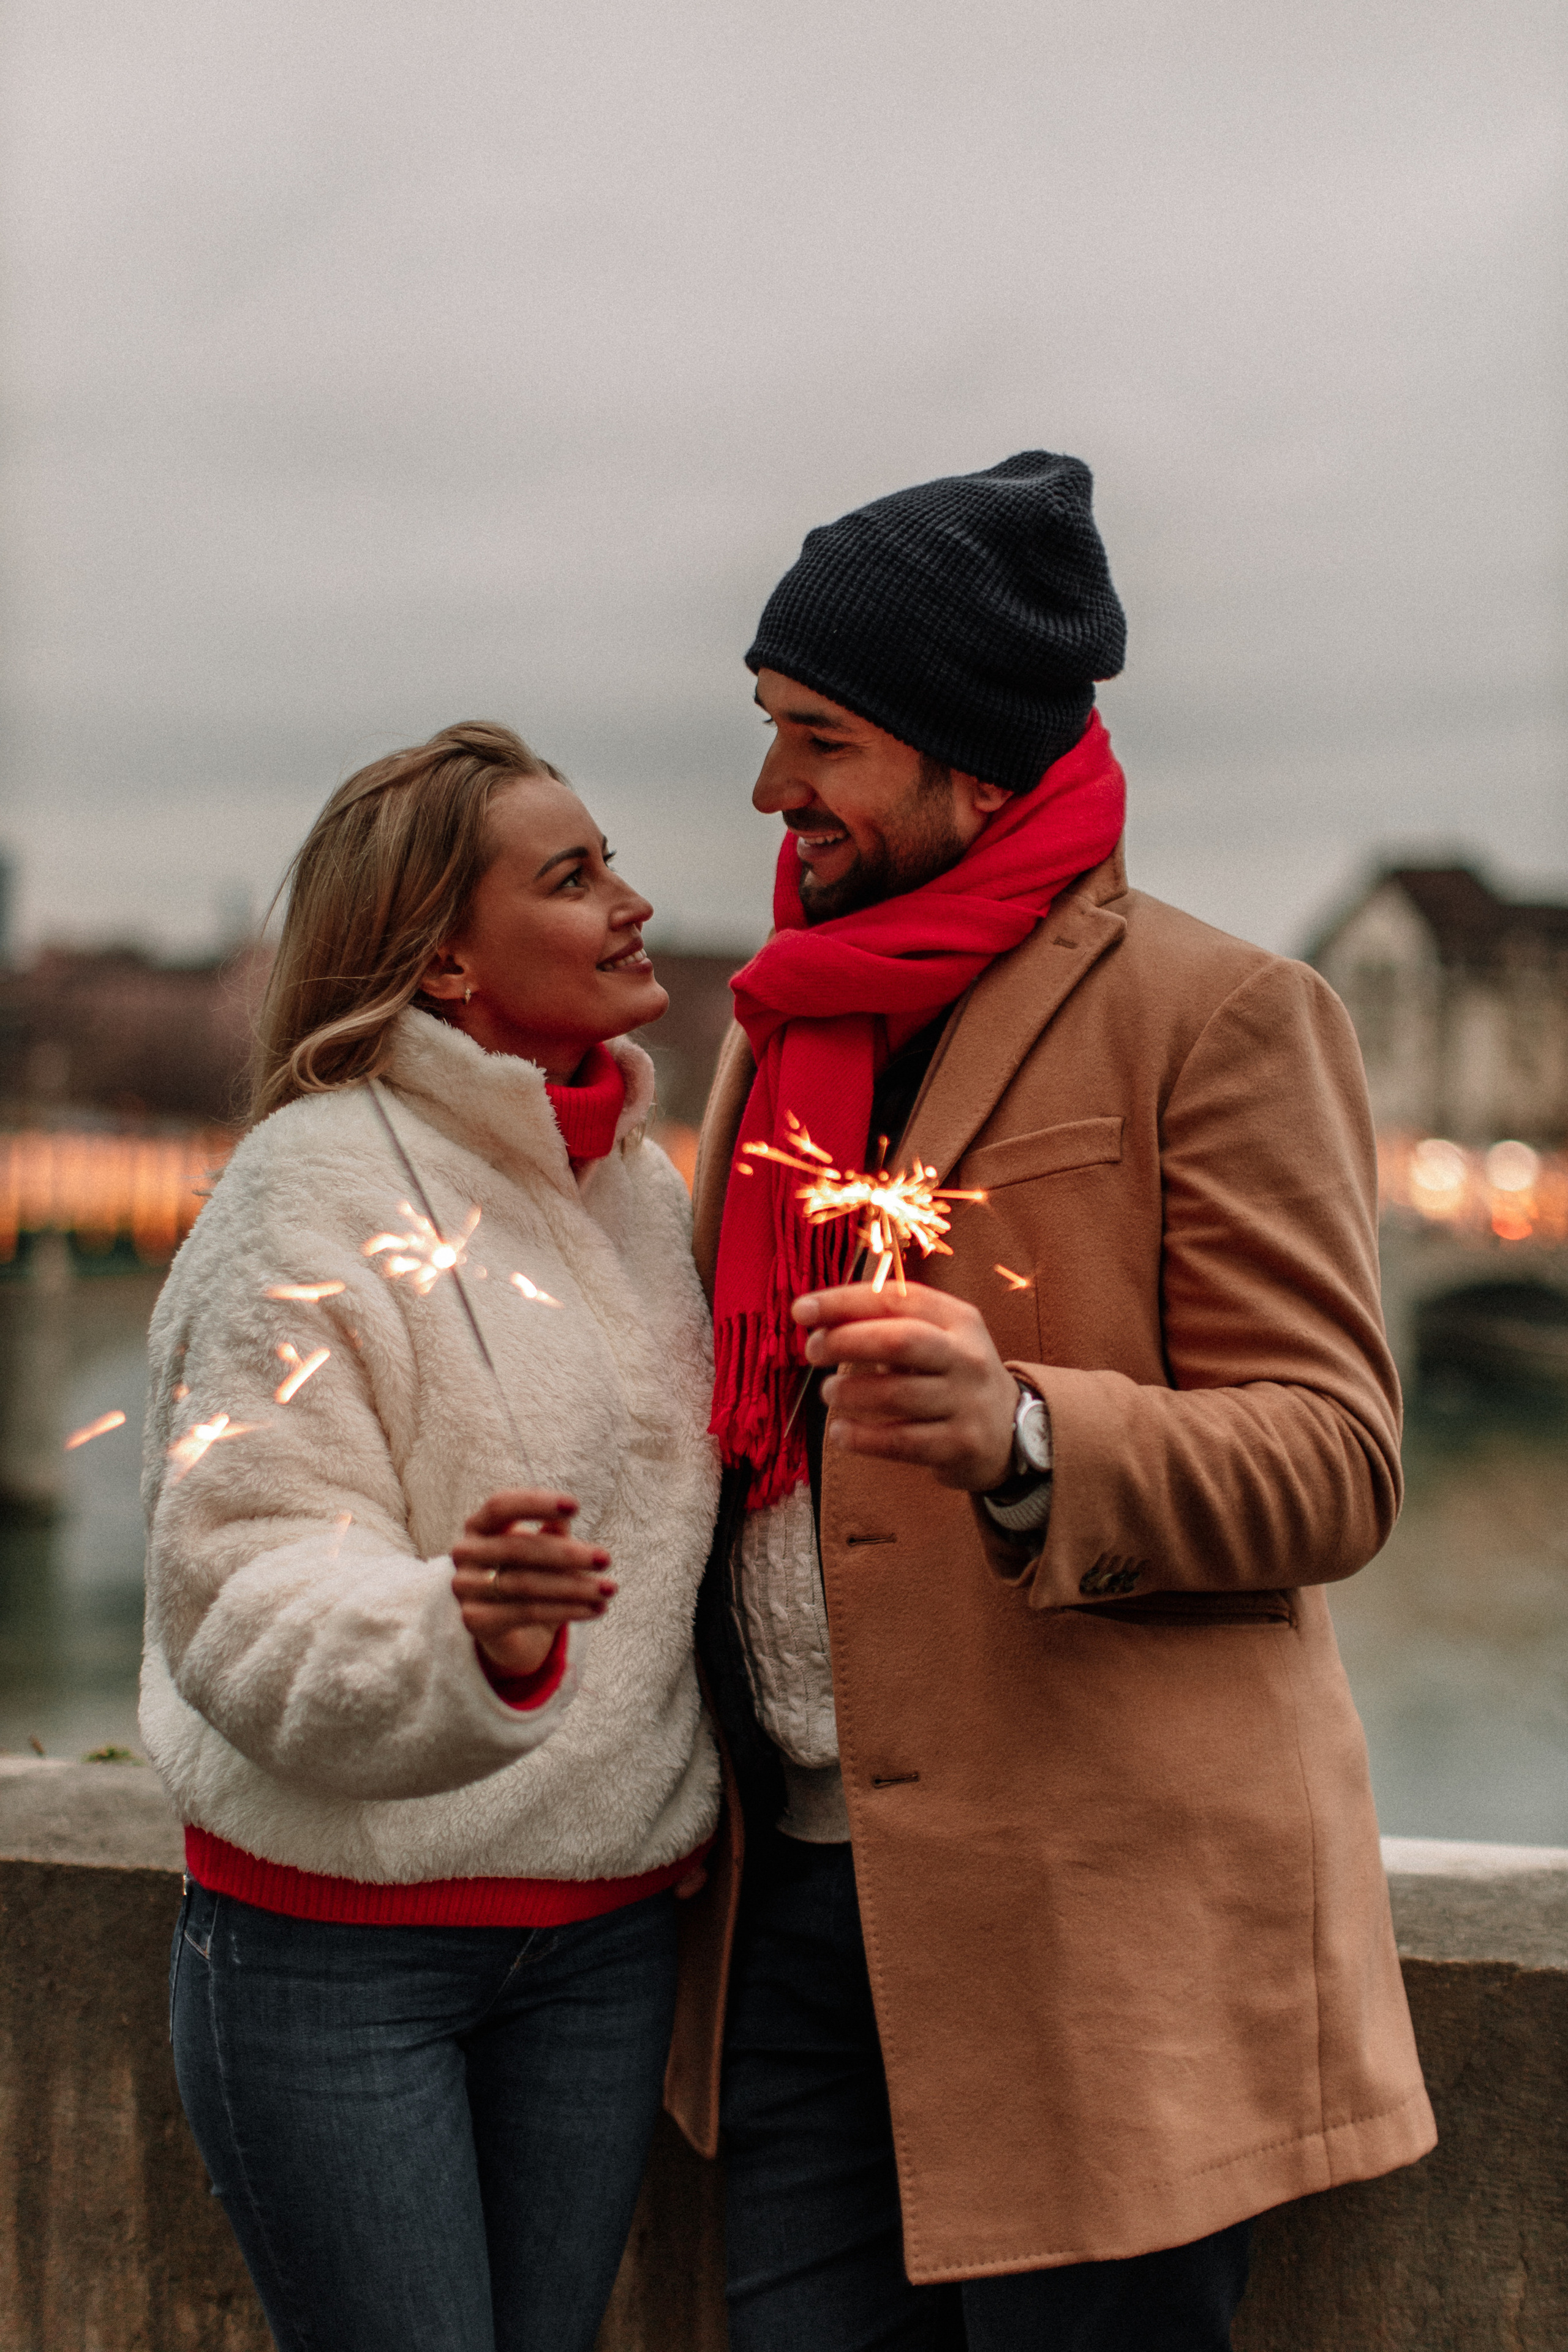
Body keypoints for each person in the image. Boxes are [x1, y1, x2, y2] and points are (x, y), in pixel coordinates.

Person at [668, 454, 1436, 2350]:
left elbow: (1337, 1460)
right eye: (768, 733)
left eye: (819, 741)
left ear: (973, 763)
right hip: (783, 1921)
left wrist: (1024, 1431)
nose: (774, 792)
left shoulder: (1223, 1014)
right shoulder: (778, 1023)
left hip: (1087, 1954)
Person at [141, 720, 720, 2352]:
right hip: (335, 1957)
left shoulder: (638, 1189)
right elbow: (235, 1576)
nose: (633, 904)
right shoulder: (301, 1189)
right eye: (574, 876)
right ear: (447, 960)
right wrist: (462, 1637)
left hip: (604, 1944)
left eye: (611, 863)